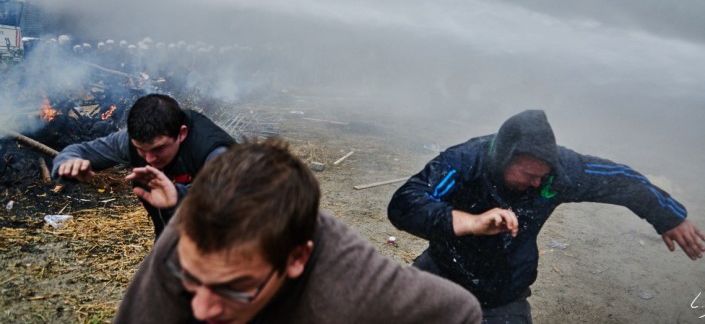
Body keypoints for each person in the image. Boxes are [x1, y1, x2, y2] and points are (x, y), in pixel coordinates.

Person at [113, 138, 483, 324]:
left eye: (233, 287)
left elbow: (460, 312)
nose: (201, 308)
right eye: (191, 279)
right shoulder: (185, 241)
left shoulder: (348, 284)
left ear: (297, 258)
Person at [387, 109, 705, 324]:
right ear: (503, 158)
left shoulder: (557, 173)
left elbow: (621, 181)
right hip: (441, 272)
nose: (537, 183)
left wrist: (669, 217)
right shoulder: (466, 161)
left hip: (504, 291)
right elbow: (405, 203)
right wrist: (470, 222)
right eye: (528, 174)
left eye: (543, 175)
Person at [52, 93, 234, 237]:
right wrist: (68, 164)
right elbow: (80, 151)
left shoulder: (216, 154)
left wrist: (177, 196)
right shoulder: (129, 140)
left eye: (159, 149)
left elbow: (227, 204)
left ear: (182, 134)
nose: (149, 159)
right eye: (141, 150)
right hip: (168, 236)